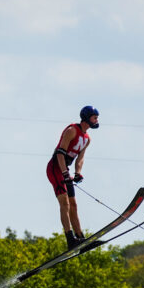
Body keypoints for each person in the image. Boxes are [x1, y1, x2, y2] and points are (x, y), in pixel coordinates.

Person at [46, 105, 99, 249]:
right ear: (87, 118)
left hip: (66, 171)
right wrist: (64, 173)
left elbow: (80, 158)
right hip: (55, 168)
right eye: (95, 117)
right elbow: (59, 154)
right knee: (65, 204)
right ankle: (70, 239)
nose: (97, 120)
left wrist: (77, 173)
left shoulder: (87, 139)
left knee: (74, 205)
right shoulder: (71, 131)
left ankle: (81, 238)